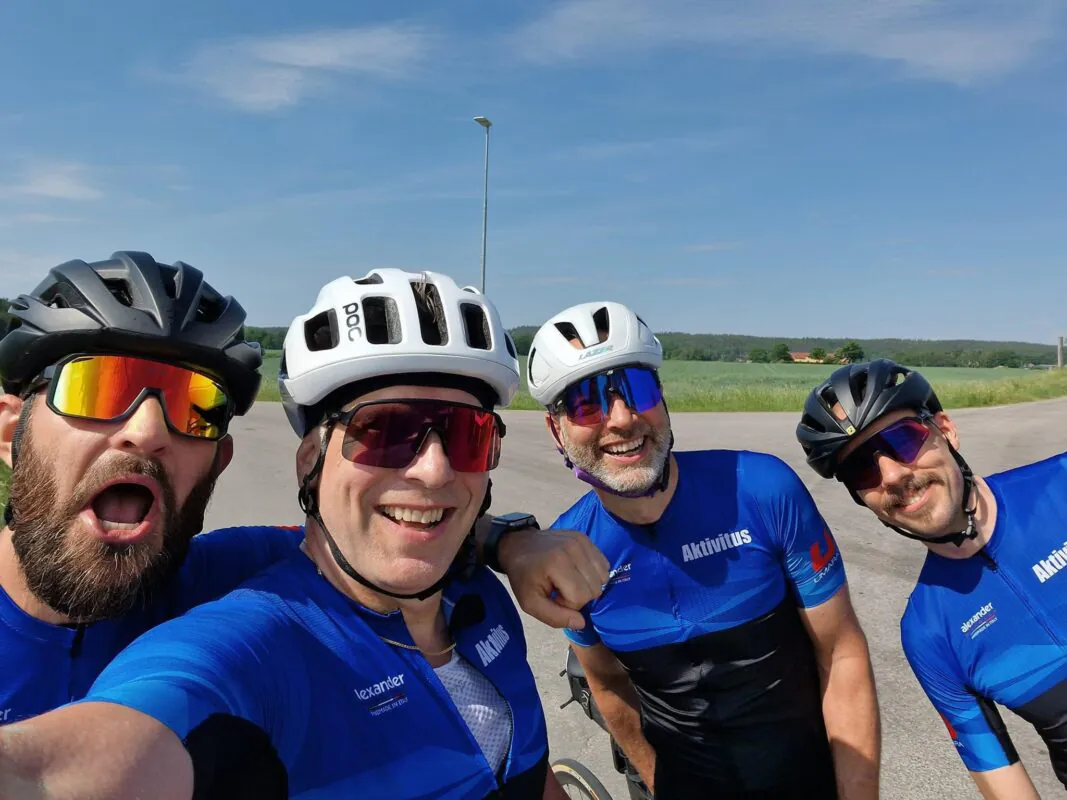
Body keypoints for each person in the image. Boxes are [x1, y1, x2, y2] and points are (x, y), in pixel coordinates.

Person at [0, 268, 569, 799]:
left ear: (219, 460)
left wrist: (510, 540)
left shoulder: (222, 564)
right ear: (310, 462)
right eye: (385, 430)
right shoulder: (246, 635)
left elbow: (378, 535)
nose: (434, 469)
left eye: (468, 435)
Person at [519, 301, 880, 799]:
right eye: (586, 403)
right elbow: (606, 685)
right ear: (555, 429)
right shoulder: (571, 552)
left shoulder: (761, 489)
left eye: (638, 390)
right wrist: (657, 782)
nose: (622, 419)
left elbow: (840, 651)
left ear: (662, 397)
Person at [0, 250, 302, 725]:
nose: (147, 432)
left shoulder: (229, 582)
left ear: (217, 465)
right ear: (9, 434)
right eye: (93, 386)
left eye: (194, 406)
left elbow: (363, 547)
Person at [796, 358, 1067, 800]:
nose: (893, 475)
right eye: (862, 469)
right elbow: (1003, 781)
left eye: (902, 440)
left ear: (946, 429)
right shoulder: (929, 633)